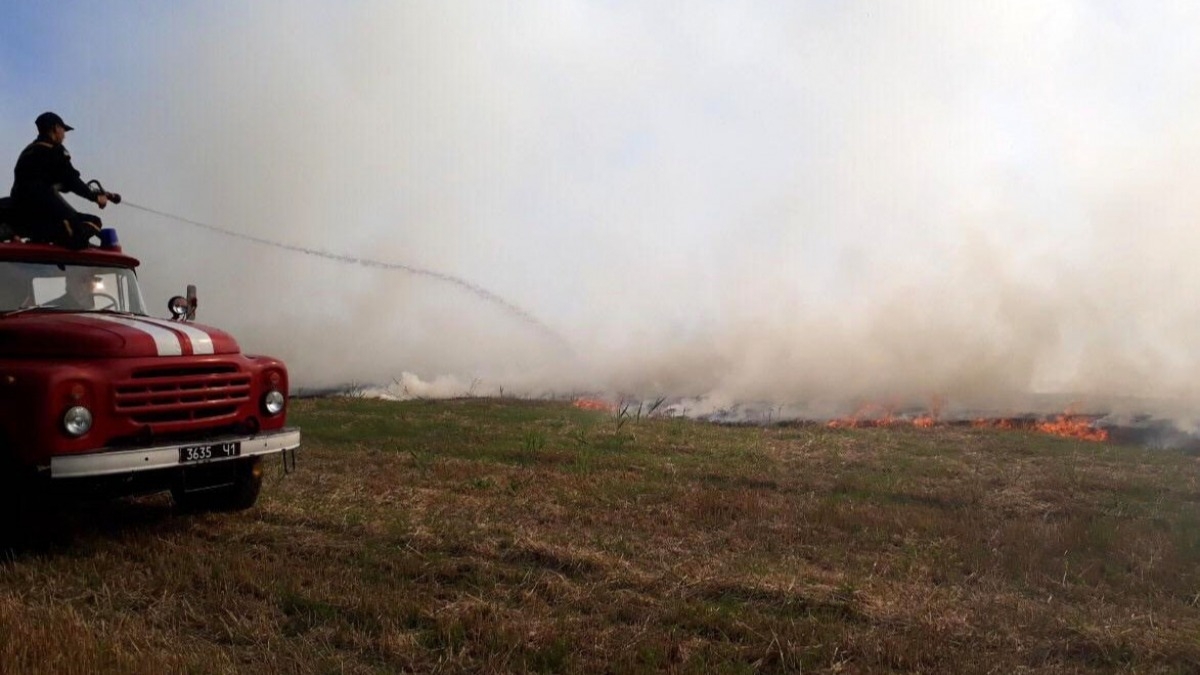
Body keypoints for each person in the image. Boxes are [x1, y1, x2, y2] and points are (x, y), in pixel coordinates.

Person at [9, 112, 107, 249]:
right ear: (55, 128)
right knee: (94, 222)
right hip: (46, 212)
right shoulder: (55, 151)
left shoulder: (28, 152)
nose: (64, 135)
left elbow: (56, 183)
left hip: (24, 215)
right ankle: (72, 240)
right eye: (63, 130)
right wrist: (96, 197)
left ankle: (45, 237)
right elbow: (71, 180)